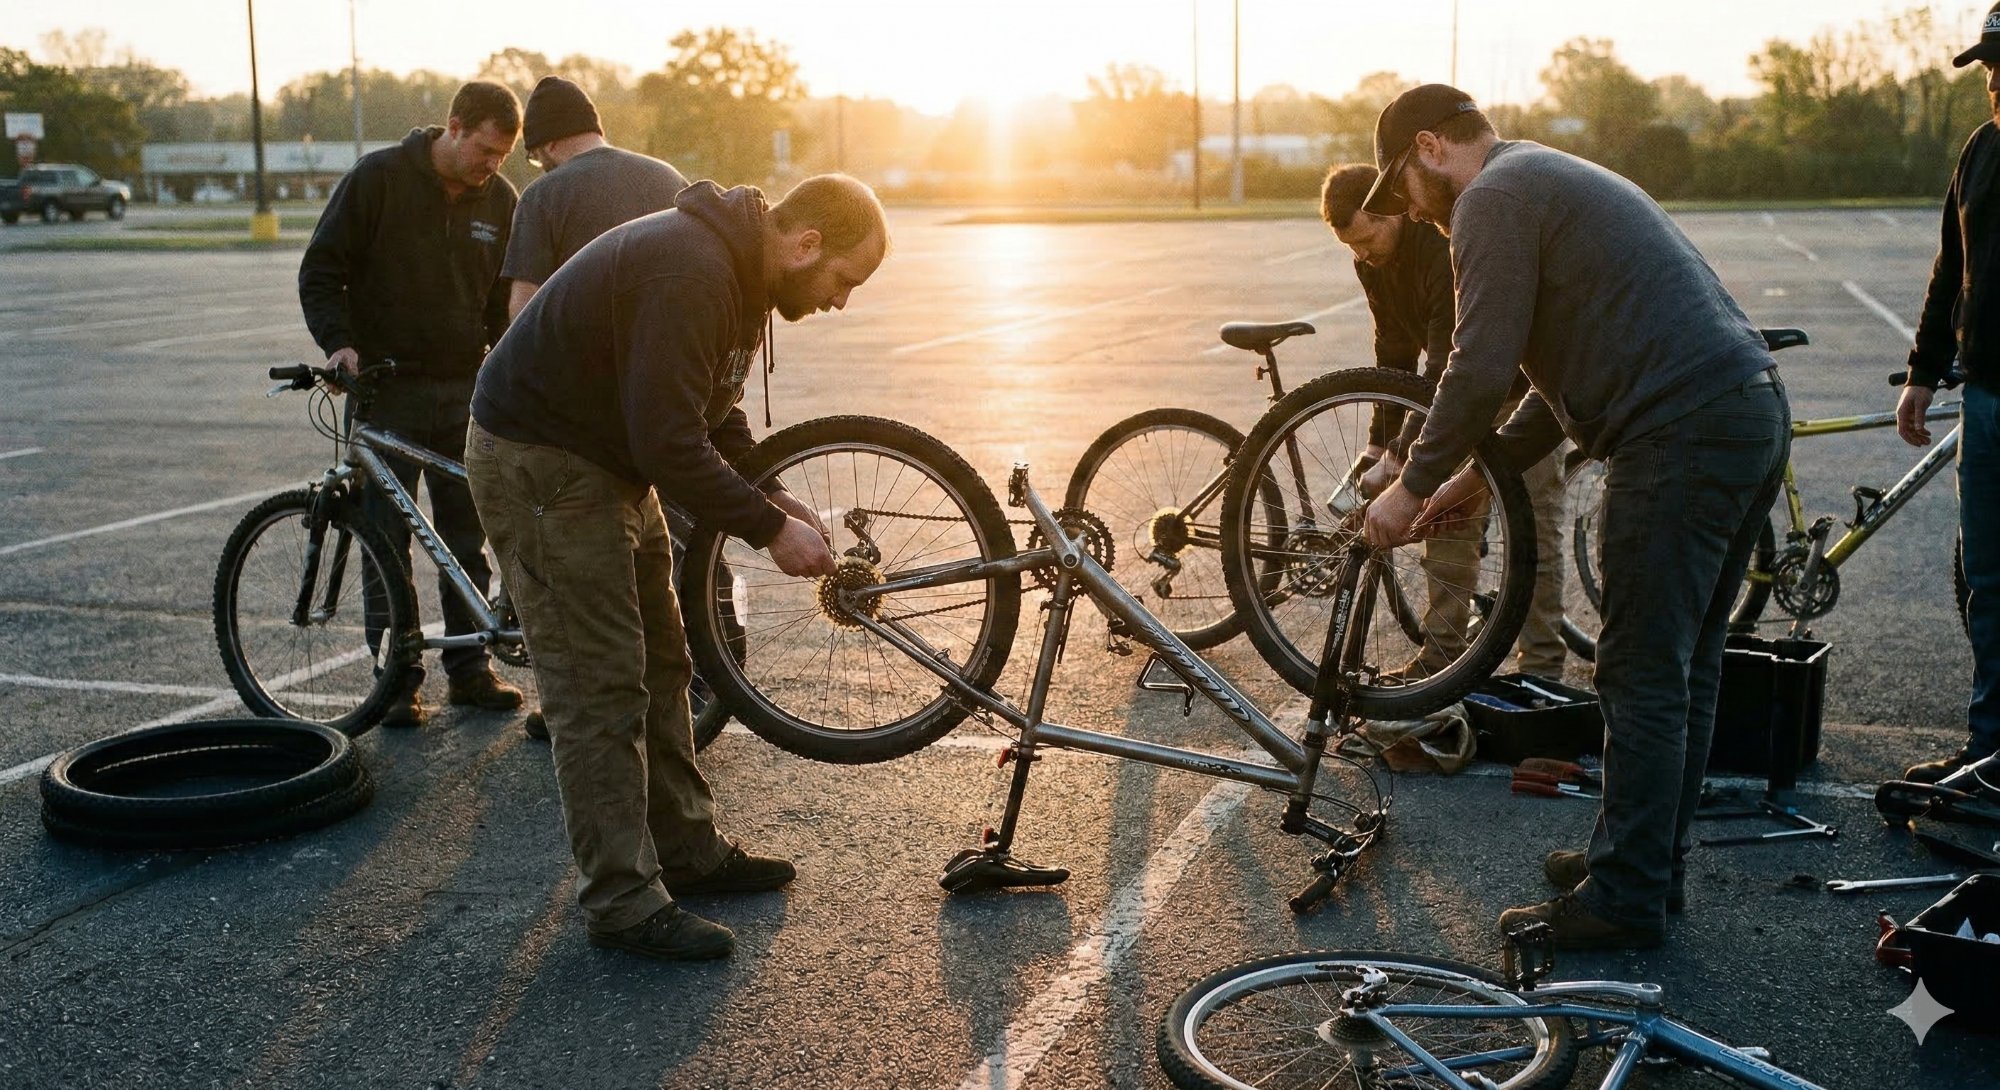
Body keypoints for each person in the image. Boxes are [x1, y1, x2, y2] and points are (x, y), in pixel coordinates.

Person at [1358, 84, 1790, 949]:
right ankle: (1641, 866)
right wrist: (1476, 481)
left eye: (1399, 185)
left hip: (1682, 433)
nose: (1408, 210)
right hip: (1742, 411)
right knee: (1685, 668)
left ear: (1430, 148)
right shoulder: (1536, 177)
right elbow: (1535, 382)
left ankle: (1626, 897)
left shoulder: (1491, 199)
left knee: (1638, 671)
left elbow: (1477, 365)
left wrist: (1409, 485)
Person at [465, 174, 889, 961]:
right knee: (600, 686)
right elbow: (668, 439)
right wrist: (767, 530)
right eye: (843, 280)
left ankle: (687, 851)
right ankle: (623, 901)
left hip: (608, 463)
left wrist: (774, 494)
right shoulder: (692, 269)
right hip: (545, 466)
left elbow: (711, 408)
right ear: (804, 245)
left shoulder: (738, 270)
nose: (840, 301)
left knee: (665, 661)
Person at [298, 80, 526, 728]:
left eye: (502, 156)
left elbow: (502, 303)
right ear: (453, 127)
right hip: (385, 391)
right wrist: (339, 345)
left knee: (465, 534)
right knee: (384, 540)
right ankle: (395, 679)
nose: (491, 166)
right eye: (484, 149)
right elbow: (321, 269)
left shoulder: (500, 200)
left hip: (467, 392)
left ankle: (470, 669)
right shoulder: (379, 179)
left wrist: (504, 369)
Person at [1319, 164, 1569, 681]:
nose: (1362, 255)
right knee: (1447, 528)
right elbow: (1392, 355)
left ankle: (1541, 666)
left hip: (1517, 397)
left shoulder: (1437, 247)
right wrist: (1377, 443)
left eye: (1366, 239)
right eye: (1352, 248)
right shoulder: (1373, 263)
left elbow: (1441, 362)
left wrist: (1402, 454)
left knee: (1535, 534)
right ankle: (1442, 659)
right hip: (1451, 400)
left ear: (1389, 212)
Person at [499, 75, 691, 741]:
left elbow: (524, 314)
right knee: (658, 577)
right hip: (663, 401)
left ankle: (571, 708)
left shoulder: (544, 194)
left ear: (546, 144)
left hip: (575, 427)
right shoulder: (667, 176)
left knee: (576, 586)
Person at [1900, 4, 2000, 784]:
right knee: (1988, 585)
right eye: (1990, 66)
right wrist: (1923, 374)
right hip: (1986, 400)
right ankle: (1989, 750)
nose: (1994, 80)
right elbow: (1948, 272)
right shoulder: (1980, 150)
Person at [503, 75, 690, 322]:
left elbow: (524, 309)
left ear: (549, 145)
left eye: (536, 156)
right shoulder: (671, 179)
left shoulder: (541, 195)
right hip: (668, 347)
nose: (542, 166)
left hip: (582, 354)